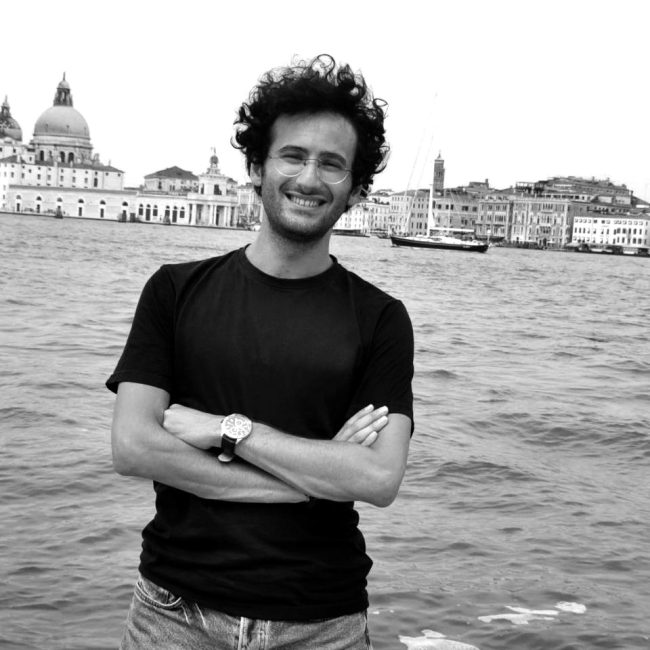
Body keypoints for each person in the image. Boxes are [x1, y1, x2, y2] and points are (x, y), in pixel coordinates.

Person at [107, 54, 414, 649]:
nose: (309, 178)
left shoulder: (381, 318)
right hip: (174, 614)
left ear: (355, 189)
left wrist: (228, 430)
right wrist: (315, 477)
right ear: (255, 167)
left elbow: (378, 477)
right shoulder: (174, 290)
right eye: (292, 156)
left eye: (332, 164)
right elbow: (134, 446)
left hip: (322, 622)